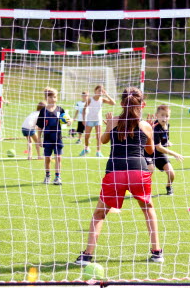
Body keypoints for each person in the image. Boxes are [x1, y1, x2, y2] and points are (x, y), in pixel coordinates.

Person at [75, 87, 163, 266]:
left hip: (115, 171)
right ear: (142, 104)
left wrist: (109, 125)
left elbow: (103, 140)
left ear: (122, 104)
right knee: (148, 210)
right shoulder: (145, 125)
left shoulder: (114, 121)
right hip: (139, 171)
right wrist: (150, 132)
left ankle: (86, 255)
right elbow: (150, 151)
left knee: (99, 214)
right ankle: (157, 253)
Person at [145, 105, 183, 196]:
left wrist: (167, 142)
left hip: (159, 154)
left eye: (167, 116)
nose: (164, 118)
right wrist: (174, 154)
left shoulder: (167, 125)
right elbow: (158, 147)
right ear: (156, 115)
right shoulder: (155, 128)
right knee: (150, 170)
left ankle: (169, 186)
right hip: (148, 153)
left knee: (171, 173)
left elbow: (163, 139)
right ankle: (144, 190)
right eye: (162, 115)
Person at [36, 87, 71, 185]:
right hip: (47, 138)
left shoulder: (60, 109)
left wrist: (69, 121)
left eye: (54, 97)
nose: (53, 99)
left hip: (57, 138)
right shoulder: (43, 111)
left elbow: (67, 119)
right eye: (50, 97)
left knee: (58, 157)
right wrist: (39, 138)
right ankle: (47, 176)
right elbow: (39, 126)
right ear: (46, 98)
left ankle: (57, 177)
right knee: (47, 158)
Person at [80, 85, 116, 157]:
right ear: (95, 91)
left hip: (98, 120)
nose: (100, 92)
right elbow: (84, 109)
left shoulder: (102, 99)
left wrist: (107, 95)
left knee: (98, 137)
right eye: (99, 90)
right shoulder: (90, 99)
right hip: (90, 120)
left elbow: (113, 103)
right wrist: (84, 119)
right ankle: (86, 148)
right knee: (86, 136)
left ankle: (98, 151)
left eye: (102, 91)